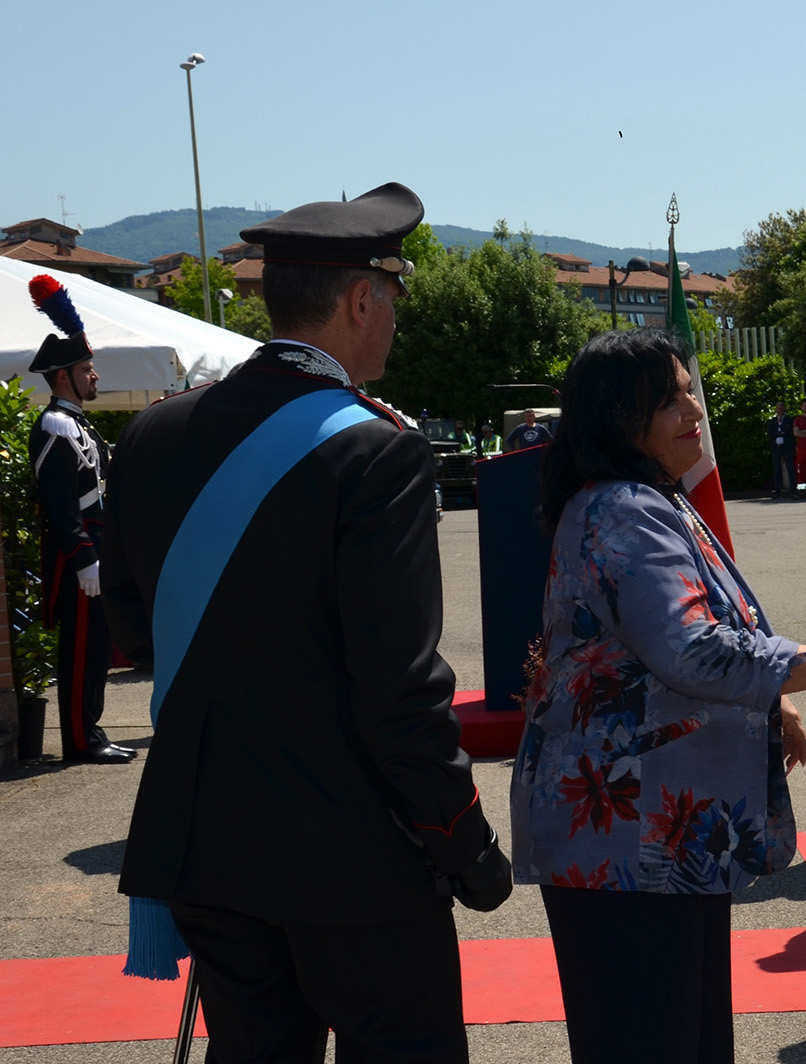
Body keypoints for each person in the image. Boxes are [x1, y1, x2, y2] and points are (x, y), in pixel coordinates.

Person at [101, 183, 512, 1062]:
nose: (395, 320)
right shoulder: (378, 449)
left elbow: (138, 634)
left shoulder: (153, 436)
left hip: (208, 839)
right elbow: (399, 688)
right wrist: (463, 836)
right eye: (393, 299)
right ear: (361, 299)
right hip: (353, 857)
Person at [509, 328, 806, 1064]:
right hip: (626, 838)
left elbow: (704, 630)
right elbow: (693, 651)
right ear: (618, 418)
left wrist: (775, 697)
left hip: (653, 836)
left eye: (688, 393)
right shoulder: (627, 510)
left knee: (681, 1034)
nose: (694, 411)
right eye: (670, 400)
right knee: (651, 1038)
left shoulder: (642, 499)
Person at [26, 278, 131, 764]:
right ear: (64, 376)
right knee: (81, 652)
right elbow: (59, 501)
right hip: (81, 559)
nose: (95, 378)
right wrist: (84, 558)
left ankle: (90, 732)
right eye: (87, 370)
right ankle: (81, 740)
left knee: (97, 650)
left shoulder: (78, 424)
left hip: (97, 552)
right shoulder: (54, 425)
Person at [767, 401, 795, 497]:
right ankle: (778, 490)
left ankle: (793, 490)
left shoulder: (789, 420)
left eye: (781, 408)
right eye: (778, 408)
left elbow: (789, 432)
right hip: (776, 448)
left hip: (787, 447)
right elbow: (771, 433)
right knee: (777, 469)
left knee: (790, 468)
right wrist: (781, 433)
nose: (780, 410)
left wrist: (782, 433)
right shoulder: (772, 421)